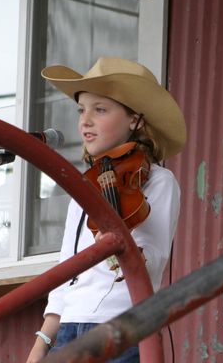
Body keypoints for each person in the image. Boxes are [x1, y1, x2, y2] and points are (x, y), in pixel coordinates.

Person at [26, 57, 186, 362]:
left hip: (121, 327)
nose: (85, 120)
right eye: (81, 110)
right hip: (70, 330)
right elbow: (66, 272)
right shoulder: (84, 187)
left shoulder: (158, 181)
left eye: (100, 110)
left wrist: (122, 245)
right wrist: (41, 344)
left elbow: (149, 262)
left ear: (135, 120)